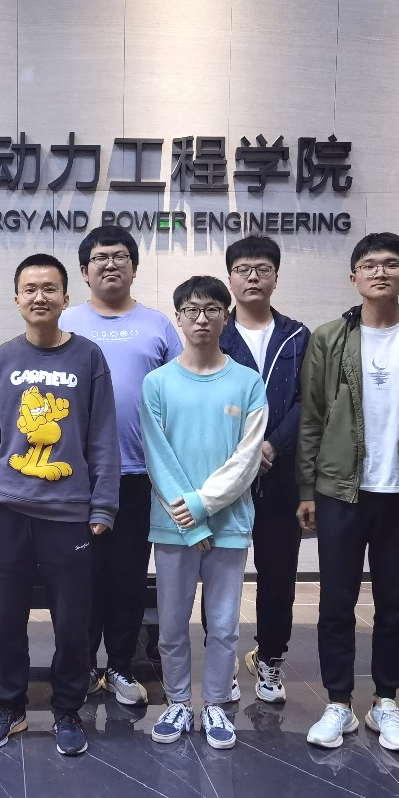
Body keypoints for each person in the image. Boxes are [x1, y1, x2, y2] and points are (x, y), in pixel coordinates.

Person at [298, 232, 399, 752]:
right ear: (353, 277)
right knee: (336, 602)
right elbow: (312, 417)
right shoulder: (329, 338)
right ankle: (338, 703)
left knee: (395, 605)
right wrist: (306, 487)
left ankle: (386, 702)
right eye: (369, 264)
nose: (380, 272)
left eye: (392, 264)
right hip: (340, 491)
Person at [0, 253, 120, 756]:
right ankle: (10, 706)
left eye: (49, 288)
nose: (39, 297)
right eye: (30, 288)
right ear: (17, 299)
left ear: (65, 297)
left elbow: (102, 437)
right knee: (6, 620)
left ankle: (67, 709)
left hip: (69, 514)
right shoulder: (0, 361)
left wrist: (103, 505)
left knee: (72, 623)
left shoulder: (88, 358)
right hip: (8, 510)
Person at [141, 276, 267, 749]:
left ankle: (215, 703)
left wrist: (201, 506)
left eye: (212, 309)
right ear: (178, 318)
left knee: (224, 625)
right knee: (172, 624)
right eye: (191, 310)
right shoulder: (157, 382)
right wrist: (190, 519)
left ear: (225, 317)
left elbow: (247, 458)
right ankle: (177, 701)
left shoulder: (247, 381)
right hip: (173, 527)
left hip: (228, 524)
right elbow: (157, 458)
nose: (201, 318)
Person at [60, 226, 181, 708]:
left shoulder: (159, 326)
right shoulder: (66, 322)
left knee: (129, 576)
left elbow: (178, 392)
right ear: (84, 270)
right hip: (75, 477)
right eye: (100, 257)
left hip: (138, 475)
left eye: (120, 257)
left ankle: (120, 666)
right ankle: (83, 665)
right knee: (80, 575)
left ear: (134, 266)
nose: (110, 264)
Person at [218, 236, 309, 704]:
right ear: (230, 278)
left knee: (278, 573)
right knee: (222, 574)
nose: (252, 277)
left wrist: (271, 445)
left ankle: (270, 658)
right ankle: (223, 663)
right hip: (227, 475)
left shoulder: (298, 336)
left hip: (281, 474)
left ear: (276, 276)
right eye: (243, 269)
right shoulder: (216, 332)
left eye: (262, 269)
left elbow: (308, 402)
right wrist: (245, 453)